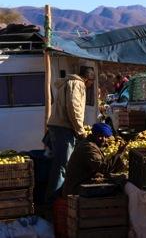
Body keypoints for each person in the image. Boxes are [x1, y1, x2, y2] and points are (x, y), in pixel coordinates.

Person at [45, 66, 95, 202]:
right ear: (87, 79)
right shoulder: (77, 84)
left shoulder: (68, 83)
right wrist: (80, 130)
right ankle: (54, 200)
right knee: (62, 165)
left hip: (58, 127)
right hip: (63, 128)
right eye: (91, 82)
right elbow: (74, 108)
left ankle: (55, 197)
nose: (91, 86)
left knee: (60, 164)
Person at [63, 123, 115, 196]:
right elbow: (102, 167)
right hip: (76, 189)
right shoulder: (89, 147)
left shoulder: (92, 144)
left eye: (106, 137)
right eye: (100, 136)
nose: (104, 139)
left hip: (79, 185)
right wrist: (118, 154)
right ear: (94, 134)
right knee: (114, 188)